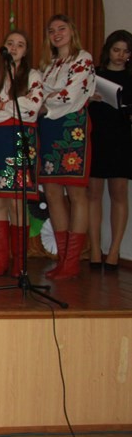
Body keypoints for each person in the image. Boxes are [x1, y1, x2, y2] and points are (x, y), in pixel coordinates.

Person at [0, 31, 43, 277]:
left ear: (26, 51)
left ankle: (20, 261)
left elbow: (33, 108)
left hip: (21, 139)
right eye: (10, 43)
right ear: (3, 48)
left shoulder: (33, 75)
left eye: (20, 45)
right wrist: (14, 107)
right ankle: (1, 259)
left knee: (18, 201)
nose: (14, 48)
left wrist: (2, 105)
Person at [39, 15, 96, 280]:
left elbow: (71, 95)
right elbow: (38, 93)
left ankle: (72, 262)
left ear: (72, 31)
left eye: (61, 28)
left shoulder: (82, 58)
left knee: (75, 192)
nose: (56, 34)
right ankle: (62, 259)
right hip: (49, 128)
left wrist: (46, 101)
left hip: (72, 126)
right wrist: (45, 99)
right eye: (52, 30)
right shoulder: (49, 65)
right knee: (52, 192)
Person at [88, 29, 131, 270]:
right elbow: (78, 103)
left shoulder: (130, 77)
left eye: (126, 51)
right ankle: (95, 250)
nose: (121, 55)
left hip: (121, 139)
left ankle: (114, 252)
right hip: (97, 138)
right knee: (93, 194)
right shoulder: (95, 74)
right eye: (116, 50)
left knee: (119, 193)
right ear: (108, 50)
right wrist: (89, 98)